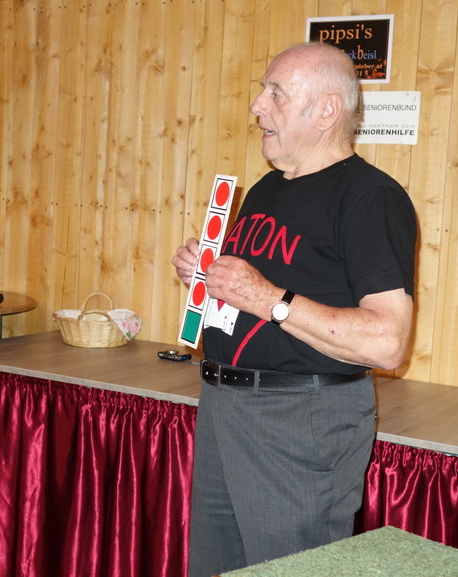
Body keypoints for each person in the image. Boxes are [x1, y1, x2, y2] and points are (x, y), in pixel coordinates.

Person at [172, 42, 417, 576]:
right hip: (223, 406)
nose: (257, 105)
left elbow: (387, 342)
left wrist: (267, 298)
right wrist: (209, 280)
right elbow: (252, 300)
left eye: (275, 93)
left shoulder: (371, 197)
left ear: (326, 111)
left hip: (299, 419)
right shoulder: (266, 189)